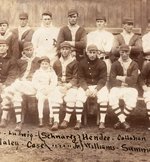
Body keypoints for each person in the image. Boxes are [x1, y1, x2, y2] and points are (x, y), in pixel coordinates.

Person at [0, 42, 39, 131]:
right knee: (16, 96)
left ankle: (3, 108)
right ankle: (17, 122)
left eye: (30, 50)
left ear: (33, 50)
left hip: (32, 85)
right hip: (20, 86)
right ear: (23, 52)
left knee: (10, 89)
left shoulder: (38, 60)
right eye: (27, 50)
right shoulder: (20, 61)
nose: (29, 52)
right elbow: (16, 74)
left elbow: (44, 72)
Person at [75, 44, 108, 130]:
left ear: (97, 53)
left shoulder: (102, 63)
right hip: (86, 85)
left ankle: (102, 121)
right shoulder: (82, 63)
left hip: (98, 86)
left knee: (104, 97)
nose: (92, 55)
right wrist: (86, 89)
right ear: (87, 53)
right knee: (79, 98)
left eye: (94, 52)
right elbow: (80, 78)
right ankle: (78, 121)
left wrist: (97, 89)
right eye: (90, 52)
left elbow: (103, 79)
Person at [109, 45, 139, 131]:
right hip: (118, 87)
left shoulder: (134, 64)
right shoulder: (115, 64)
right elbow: (112, 79)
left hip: (130, 87)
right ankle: (123, 121)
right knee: (112, 95)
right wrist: (123, 82)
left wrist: (119, 77)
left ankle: (120, 121)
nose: (124, 54)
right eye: (122, 52)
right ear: (119, 52)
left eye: (126, 52)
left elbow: (133, 80)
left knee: (132, 99)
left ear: (129, 52)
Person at [51, 42, 78, 131]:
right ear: (60, 50)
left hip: (70, 85)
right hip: (60, 85)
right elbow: (54, 76)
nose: (65, 51)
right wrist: (58, 83)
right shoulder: (56, 62)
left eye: (67, 49)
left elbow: (76, 77)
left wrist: (68, 86)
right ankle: (56, 121)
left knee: (71, 97)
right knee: (55, 96)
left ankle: (66, 119)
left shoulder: (75, 62)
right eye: (63, 49)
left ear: (70, 50)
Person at [87, 15, 115, 85]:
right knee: (94, 78)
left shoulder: (109, 35)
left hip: (105, 59)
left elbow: (108, 50)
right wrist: (100, 48)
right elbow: (88, 49)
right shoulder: (91, 35)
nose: (99, 23)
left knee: (106, 79)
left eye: (101, 22)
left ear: (105, 23)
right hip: (94, 60)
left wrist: (96, 47)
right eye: (98, 22)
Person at [32, 56, 58, 127]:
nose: (44, 65)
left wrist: (49, 89)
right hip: (41, 90)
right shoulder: (37, 72)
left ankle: (51, 118)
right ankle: (40, 119)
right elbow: (34, 82)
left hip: (49, 90)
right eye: (43, 64)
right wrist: (41, 89)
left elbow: (54, 81)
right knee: (41, 99)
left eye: (46, 64)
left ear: (49, 64)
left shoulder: (52, 72)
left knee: (51, 100)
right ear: (40, 64)